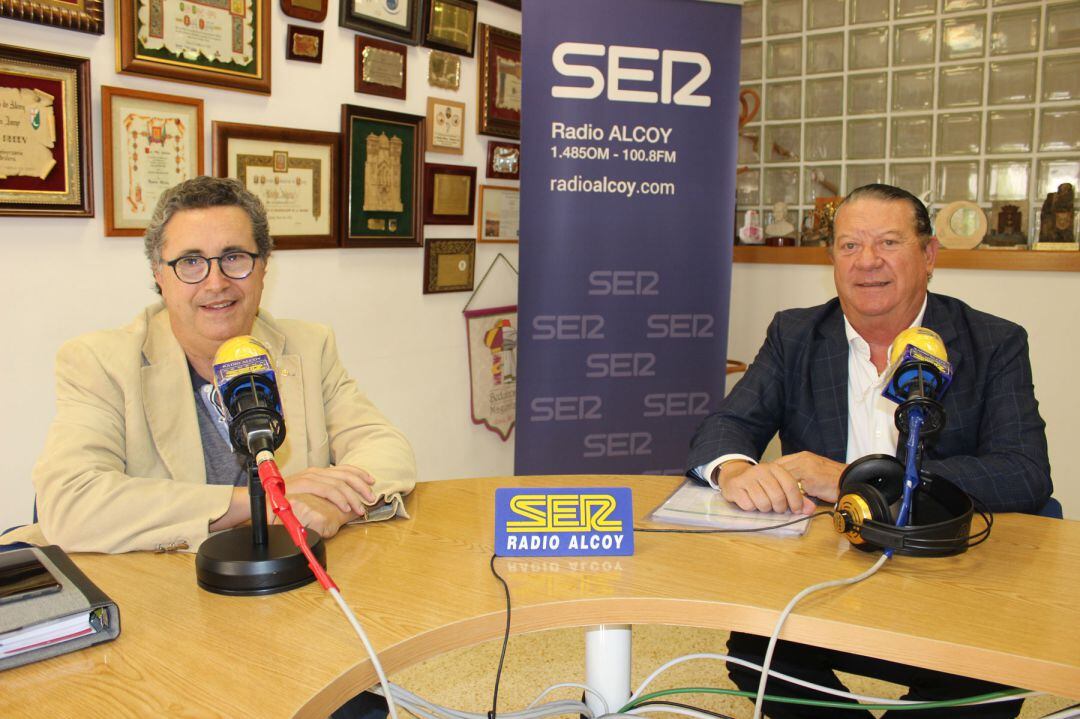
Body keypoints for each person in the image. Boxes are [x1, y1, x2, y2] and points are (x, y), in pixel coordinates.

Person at [686, 183, 1052, 719]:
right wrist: (736, 469)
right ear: (832, 257)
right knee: (756, 650)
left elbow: (1023, 473)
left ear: (928, 257)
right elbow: (726, 426)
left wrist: (850, 480)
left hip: (954, 580)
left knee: (985, 678)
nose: (867, 263)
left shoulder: (991, 342)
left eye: (888, 243)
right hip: (827, 574)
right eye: (849, 246)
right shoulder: (796, 334)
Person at [2, 176, 416, 554]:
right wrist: (262, 501)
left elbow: (386, 450)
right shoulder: (101, 362)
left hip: (287, 588)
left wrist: (334, 507)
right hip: (162, 596)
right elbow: (70, 503)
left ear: (263, 268)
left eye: (234, 257)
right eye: (191, 262)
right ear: (159, 275)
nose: (216, 282)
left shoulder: (309, 345)